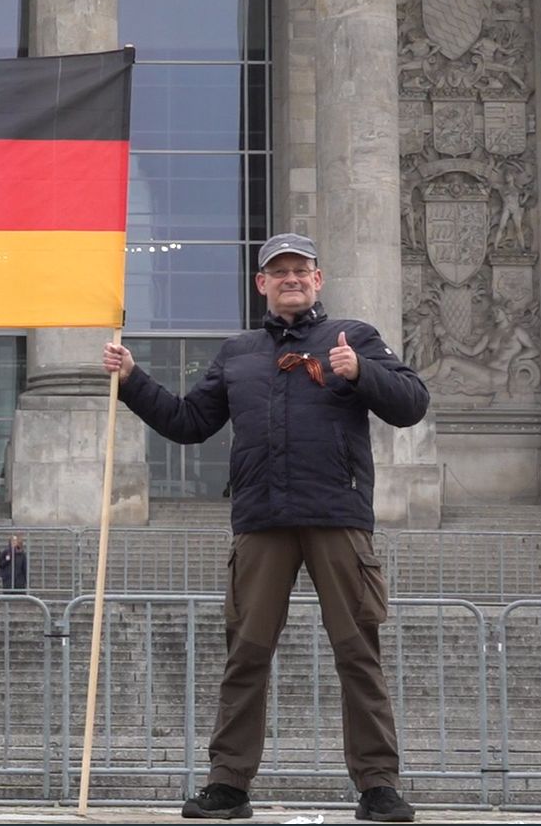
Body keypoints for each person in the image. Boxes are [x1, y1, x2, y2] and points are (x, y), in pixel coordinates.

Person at [104, 232, 428, 824]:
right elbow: (188, 422)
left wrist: (361, 375)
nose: (292, 279)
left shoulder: (353, 338)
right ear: (262, 284)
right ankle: (228, 784)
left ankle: (378, 785)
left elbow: (411, 403)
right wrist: (132, 380)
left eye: (301, 269)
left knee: (358, 655)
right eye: (279, 272)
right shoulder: (239, 352)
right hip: (261, 521)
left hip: (337, 516)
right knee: (246, 656)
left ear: (318, 278)